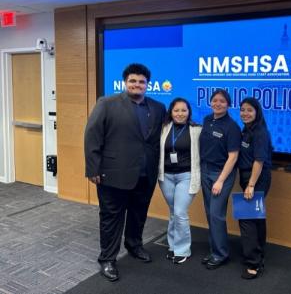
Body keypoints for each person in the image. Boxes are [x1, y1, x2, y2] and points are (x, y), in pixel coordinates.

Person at [84, 63, 166, 282]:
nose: (137, 85)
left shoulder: (158, 108)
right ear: (125, 82)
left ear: (147, 84)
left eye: (141, 81)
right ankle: (108, 259)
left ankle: (134, 245)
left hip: (145, 174)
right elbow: (92, 136)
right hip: (112, 174)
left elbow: (163, 137)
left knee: (139, 215)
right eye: (133, 81)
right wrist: (93, 168)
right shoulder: (107, 103)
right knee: (111, 218)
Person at [200, 88, 241, 269]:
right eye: (215, 100)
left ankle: (221, 254)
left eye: (222, 101)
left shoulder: (232, 127)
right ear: (210, 102)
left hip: (221, 175)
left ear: (229, 105)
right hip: (205, 171)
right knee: (210, 213)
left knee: (217, 215)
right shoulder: (207, 120)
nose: (218, 103)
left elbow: (233, 157)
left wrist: (220, 181)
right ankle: (214, 249)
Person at [158, 98, 201, 264]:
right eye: (176, 110)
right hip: (166, 176)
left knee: (180, 212)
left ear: (189, 112)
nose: (180, 114)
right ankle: (173, 245)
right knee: (173, 212)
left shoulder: (197, 130)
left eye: (184, 110)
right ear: (171, 112)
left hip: (187, 176)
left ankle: (183, 249)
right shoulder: (163, 129)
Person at [237, 97, 273, 279]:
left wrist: (251, 185)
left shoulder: (260, 132)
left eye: (249, 110)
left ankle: (253, 262)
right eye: (242, 109)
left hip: (257, 179)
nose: (245, 113)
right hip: (248, 178)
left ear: (257, 112)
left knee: (247, 219)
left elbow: (259, 160)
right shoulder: (246, 130)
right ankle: (259, 256)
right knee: (256, 218)